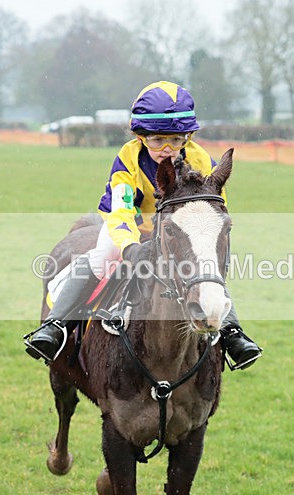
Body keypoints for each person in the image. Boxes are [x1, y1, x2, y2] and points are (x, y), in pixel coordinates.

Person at [26, 81, 261, 369]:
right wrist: (130, 248)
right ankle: (55, 326)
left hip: (177, 232)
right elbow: (122, 211)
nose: (167, 149)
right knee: (101, 259)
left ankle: (233, 334)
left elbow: (212, 209)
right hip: (130, 227)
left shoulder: (201, 159)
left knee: (205, 270)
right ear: (140, 136)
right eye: (157, 140)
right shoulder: (128, 158)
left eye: (176, 141)